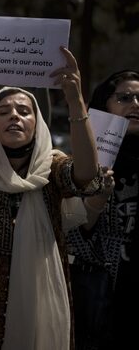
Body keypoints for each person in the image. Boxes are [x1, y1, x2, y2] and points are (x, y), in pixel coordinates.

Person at [0, 40, 102, 349]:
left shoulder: (52, 169)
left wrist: (75, 100)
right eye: (4, 111)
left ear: (37, 124)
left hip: (41, 301)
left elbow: (87, 174)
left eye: (24, 111)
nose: (14, 116)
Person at [67, 69, 139, 350]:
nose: (136, 105)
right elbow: (76, 232)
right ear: (103, 107)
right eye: (125, 97)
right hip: (100, 308)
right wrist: (98, 196)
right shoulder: (83, 165)